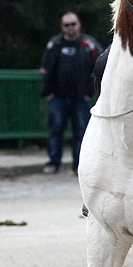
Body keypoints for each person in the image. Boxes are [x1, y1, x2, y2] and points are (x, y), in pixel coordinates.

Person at [39, 12, 100, 175]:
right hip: (57, 97)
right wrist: (48, 92)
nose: (70, 28)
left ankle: (79, 166)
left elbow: (100, 68)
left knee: (81, 132)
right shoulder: (54, 44)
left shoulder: (89, 44)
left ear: (79, 24)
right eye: (67, 25)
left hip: (81, 97)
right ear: (62, 27)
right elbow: (45, 68)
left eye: (73, 24)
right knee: (56, 130)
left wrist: (90, 91)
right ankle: (53, 162)